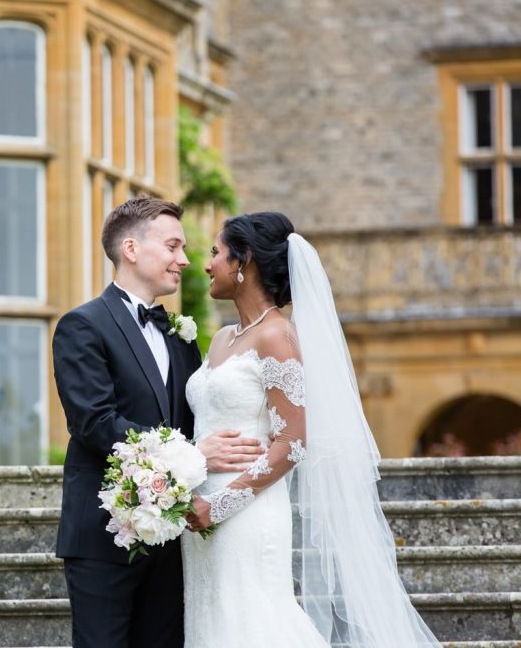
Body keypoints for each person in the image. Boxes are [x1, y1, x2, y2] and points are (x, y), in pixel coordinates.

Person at [182, 212, 440, 647]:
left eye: (216, 253)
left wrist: (218, 505)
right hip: (200, 514)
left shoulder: (278, 337)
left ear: (243, 262)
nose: (207, 264)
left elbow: (292, 442)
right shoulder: (222, 338)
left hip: (245, 514)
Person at [52, 197, 265, 648]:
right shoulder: (82, 326)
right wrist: (190, 454)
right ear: (131, 249)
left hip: (172, 536)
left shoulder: (179, 336)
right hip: (103, 534)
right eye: (173, 246)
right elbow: (95, 423)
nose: (185, 260)